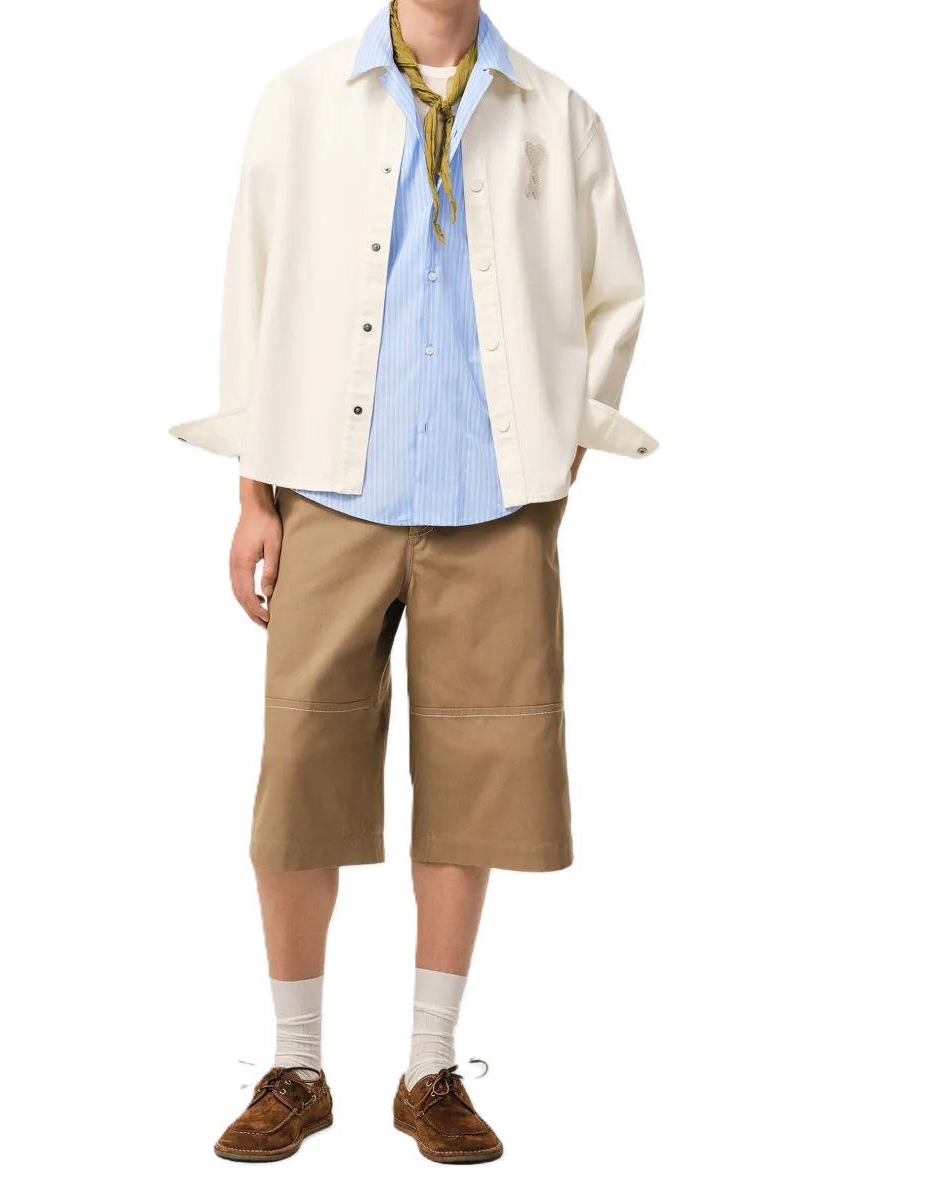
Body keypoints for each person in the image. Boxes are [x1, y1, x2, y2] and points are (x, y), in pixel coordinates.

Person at [169, 0, 656, 1166]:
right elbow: (252, 286)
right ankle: (294, 1067)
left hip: (494, 505)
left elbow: (614, 293)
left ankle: (428, 1071)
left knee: (473, 780)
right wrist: (250, 491)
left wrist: (568, 435)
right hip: (328, 490)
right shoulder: (302, 97)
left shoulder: (557, 113)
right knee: (300, 776)